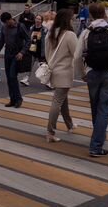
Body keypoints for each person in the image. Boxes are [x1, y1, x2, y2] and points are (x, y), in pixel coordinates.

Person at [73, 2, 108, 158]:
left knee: (95, 106)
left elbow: (77, 56)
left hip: (92, 72)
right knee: (104, 108)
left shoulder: (86, 33)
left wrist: (82, 73)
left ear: (90, 15)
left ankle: (99, 136)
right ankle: (96, 146)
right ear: (105, 14)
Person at [44, 9, 78, 143]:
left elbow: (47, 54)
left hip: (53, 71)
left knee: (63, 99)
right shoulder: (70, 35)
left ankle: (69, 124)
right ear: (67, 20)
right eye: (72, 19)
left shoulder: (51, 33)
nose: (73, 21)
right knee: (57, 101)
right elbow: (77, 54)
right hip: (65, 72)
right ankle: (50, 132)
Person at [0, 12, 31, 108]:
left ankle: (18, 99)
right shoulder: (4, 27)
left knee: (12, 76)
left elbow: (28, 40)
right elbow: (1, 41)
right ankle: (12, 99)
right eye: (4, 23)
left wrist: (22, 52)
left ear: (10, 19)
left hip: (17, 54)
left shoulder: (20, 26)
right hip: (8, 53)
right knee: (8, 78)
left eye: (7, 22)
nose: (6, 25)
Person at [20, 14, 47, 87]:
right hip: (32, 49)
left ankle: (48, 81)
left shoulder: (44, 29)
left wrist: (45, 51)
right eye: (36, 19)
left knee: (44, 67)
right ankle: (26, 79)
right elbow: (28, 38)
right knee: (29, 65)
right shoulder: (32, 28)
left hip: (41, 50)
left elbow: (45, 41)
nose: (37, 20)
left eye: (39, 19)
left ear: (41, 21)